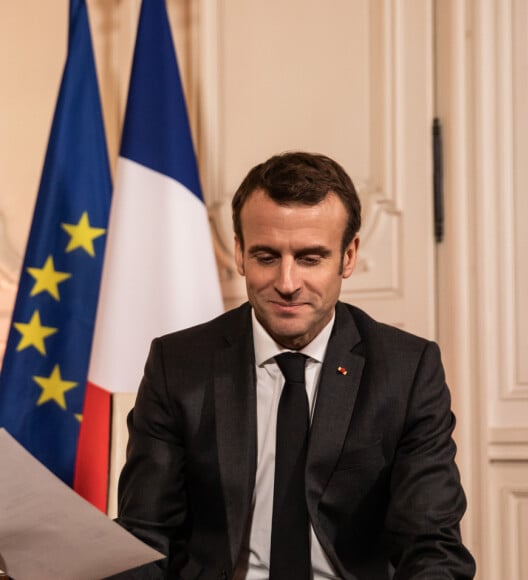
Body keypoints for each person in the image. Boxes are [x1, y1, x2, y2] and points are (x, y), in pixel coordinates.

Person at [114, 152, 476, 579]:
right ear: (239, 253)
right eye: (267, 257)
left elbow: (432, 546)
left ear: (348, 256)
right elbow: (145, 537)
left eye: (310, 258)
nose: (287, 284)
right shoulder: (178, 365)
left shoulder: (407, 370)